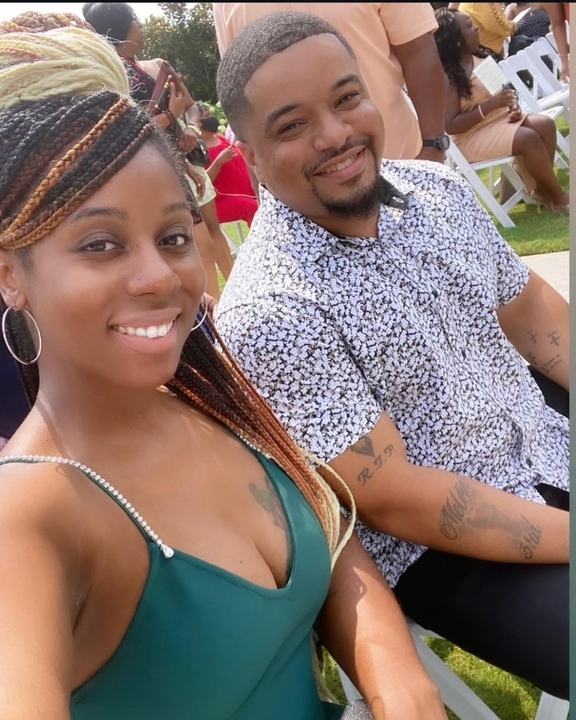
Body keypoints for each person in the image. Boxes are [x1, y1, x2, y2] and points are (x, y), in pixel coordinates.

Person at [0, 13, 452, 720]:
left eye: (174, 236)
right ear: (10, 275)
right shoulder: (27, 515)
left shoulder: (211, 397)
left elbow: (334, 549)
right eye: (100, 245)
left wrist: (395, 676)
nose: (159, 276)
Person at [213, 10, 569, 701]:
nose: (335, 134)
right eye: (292, 126)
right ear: (249, 157)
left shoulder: (435, 193)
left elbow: (533, 315)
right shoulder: (270, 309)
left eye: (347, 98)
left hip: (537, 434)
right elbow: (397, 500)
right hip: (449, 547)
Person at [82, 2, 235, 299]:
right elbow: (124, 131)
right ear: (122, 28)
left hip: (181, 162)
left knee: (206, 235)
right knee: (192, 244)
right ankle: (212, 313)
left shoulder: (156, 66)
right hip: (153, 171)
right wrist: (170, 114)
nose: (140, 26)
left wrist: (190, 129)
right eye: (134, 20)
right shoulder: (107, 78)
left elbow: (189, 106)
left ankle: (227, 298)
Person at [212, 3, 449, 163]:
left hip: (402, 160)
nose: (335, 136)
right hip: (308, 199)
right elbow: (242, 96)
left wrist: (433, 145)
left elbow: (418, 50)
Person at [434, 8, 569, 213]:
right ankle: (558, 197)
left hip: (500, 120)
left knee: (545, 125)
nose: (476, 28)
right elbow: (451, 125)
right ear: (456, 40)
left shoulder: (481, 59)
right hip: (471, 136)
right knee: (528, 138)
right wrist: (490, 106)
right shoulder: (448, 76)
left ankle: (541, 190)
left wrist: (513, 107)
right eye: (469, 26)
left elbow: (504, 92)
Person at [200, 113, 259, 227]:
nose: (211, 118)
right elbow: (203, 183)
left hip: (246, 190)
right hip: (219, 201)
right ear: (198, 124)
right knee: (253, 207)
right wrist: (219, 161)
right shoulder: (197, 150)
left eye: (210, 114)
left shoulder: (219, 137)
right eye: (206, 115)